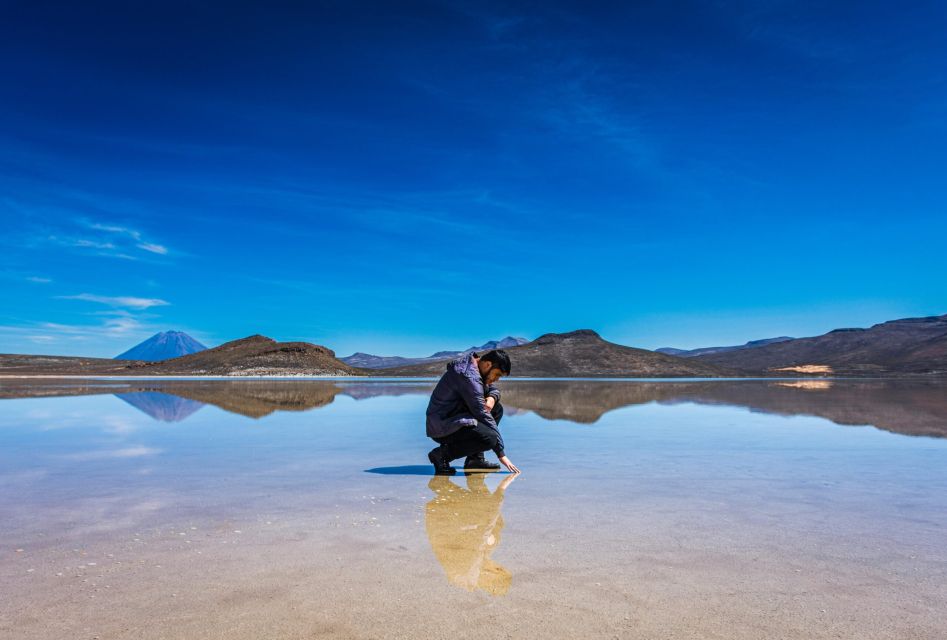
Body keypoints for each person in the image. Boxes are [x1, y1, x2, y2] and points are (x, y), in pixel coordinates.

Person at [426, 349, 521, 475]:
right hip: (441, 426)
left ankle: (475, 459)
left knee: (497, 409)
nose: (497, 379)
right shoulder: (468, 376)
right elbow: (482, 414)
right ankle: (442, 455)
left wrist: (492, 398)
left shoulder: (476, 369)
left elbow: (492, 389)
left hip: (454, 417)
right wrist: (501, 453)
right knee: (490, 438)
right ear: (488, 364)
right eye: (497, 375)